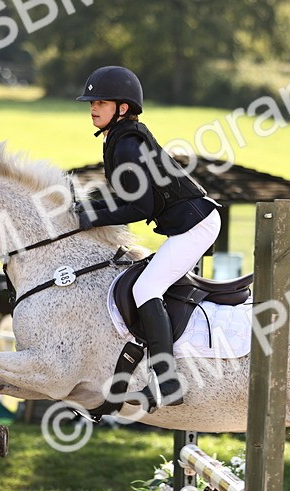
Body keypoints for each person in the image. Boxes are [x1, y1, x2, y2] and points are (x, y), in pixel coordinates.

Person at [74, 65, 222, 410]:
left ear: (122, 108)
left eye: (101, 102)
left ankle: (168, 382)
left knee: (145, 288)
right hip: (189, 222)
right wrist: (81, 206)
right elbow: (126, 201)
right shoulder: (120, 138)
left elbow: (139, 207)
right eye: (91, 102)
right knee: (143, 283)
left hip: (196, 224)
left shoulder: (127, 145)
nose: (93, 107)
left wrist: (88, 216)